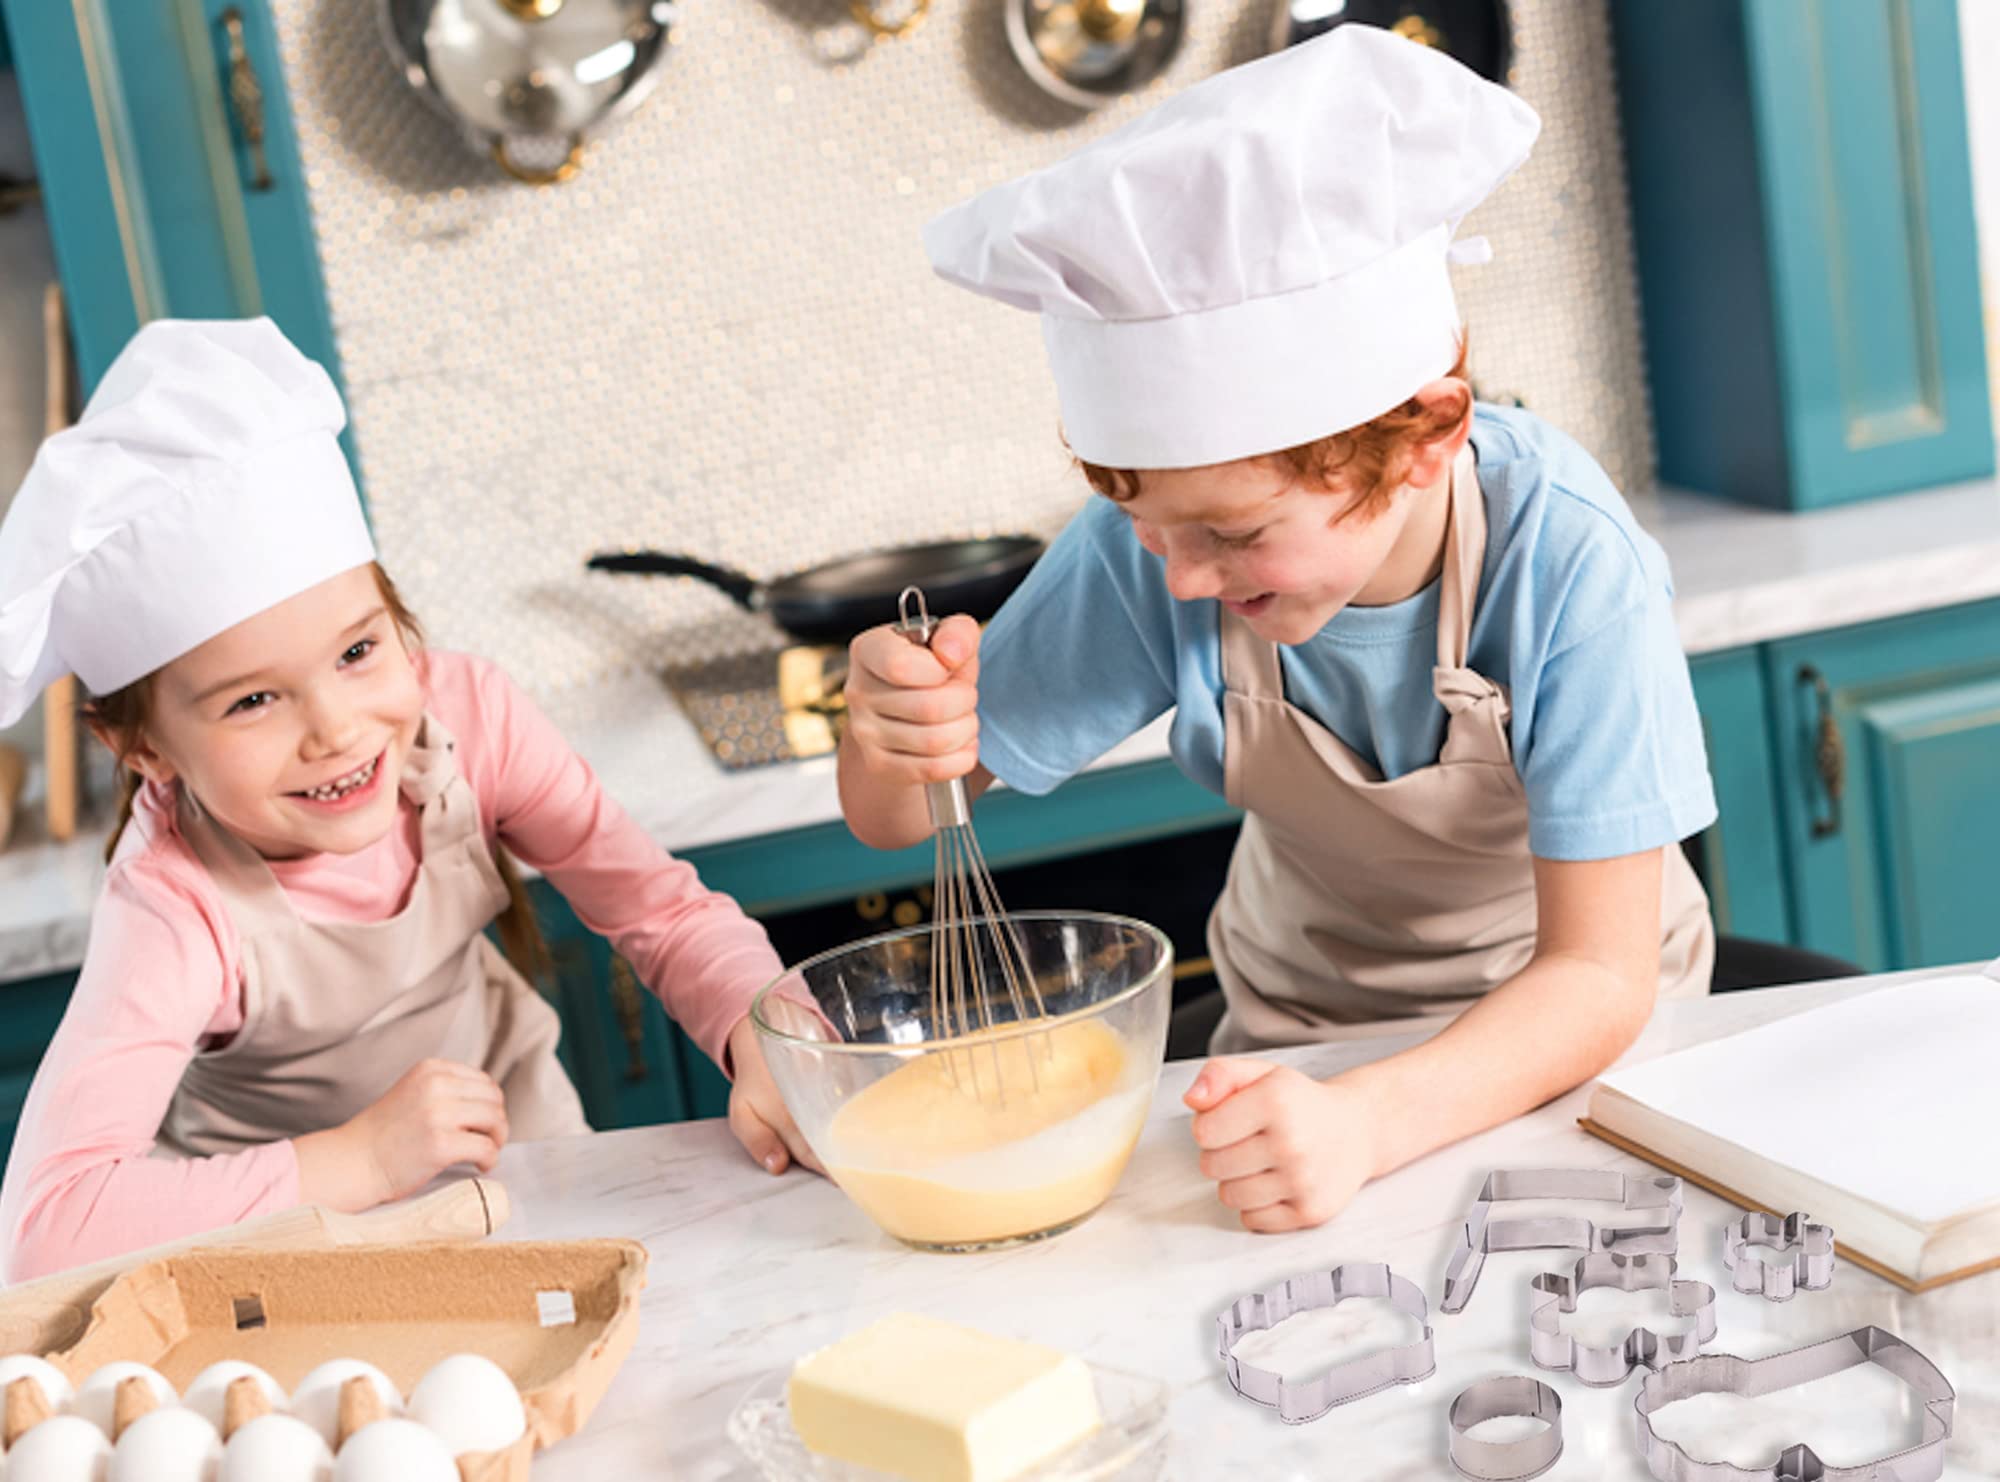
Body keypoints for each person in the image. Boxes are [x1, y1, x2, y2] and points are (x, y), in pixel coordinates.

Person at [838, 26, 1715, 1234]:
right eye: (1145, 525)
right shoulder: (1154, 548)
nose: (1184, 580)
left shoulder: (1563, 557)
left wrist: (1369, 1121)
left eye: (1236, 536)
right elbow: (896, 823)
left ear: (1425, 439)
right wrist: (889, 731)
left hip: (1574, 1050)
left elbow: (1597, 976)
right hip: (1294, 1048)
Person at [0, 318, 815, 1280]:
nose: (337, 728)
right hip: (269, 1245)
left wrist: (761, 1026)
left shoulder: (470, 714)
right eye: (253, 700)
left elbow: (657, 909)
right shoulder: (178, 904)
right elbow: (45, 1224)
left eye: (358, 651)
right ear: (140, 746)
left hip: (519, 1148)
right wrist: (364, 1158)